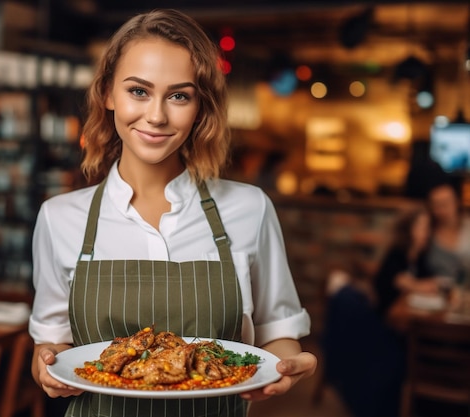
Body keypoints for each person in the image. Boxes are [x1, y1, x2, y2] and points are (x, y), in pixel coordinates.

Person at [29, 8, 316, 417]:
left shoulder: (249, 209)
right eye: (138, 91)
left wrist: (288, 366)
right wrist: (48, 369)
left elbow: (280, 338)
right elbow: (51, 346)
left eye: (179, 95)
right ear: (108, 94)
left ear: (201, 107)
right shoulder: (59, 218)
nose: (157, 115)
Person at [322, 205, 439, 417]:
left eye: (427, 227)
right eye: (422, 227)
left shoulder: (419, 256)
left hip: (398, 323)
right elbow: (402, 282)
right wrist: (423, 285)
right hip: (380, 323)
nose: (426, 232)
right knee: (404, 351)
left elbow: (425, 280)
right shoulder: (397, 254)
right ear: (409, 230)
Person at [425, 181, 470, 283]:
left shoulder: (468, 227)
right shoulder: (427, 234)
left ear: (457, 202)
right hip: (437, 291)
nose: (442, 210)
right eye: (437, 205)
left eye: (446, 203)